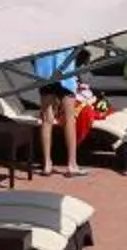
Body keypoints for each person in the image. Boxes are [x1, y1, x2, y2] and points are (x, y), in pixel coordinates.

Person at [32, 48, 86, 176]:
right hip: (65, 72)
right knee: (69, 119)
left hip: (45, 73)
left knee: (46, 119)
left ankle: (47, 164)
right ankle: (72, 165)